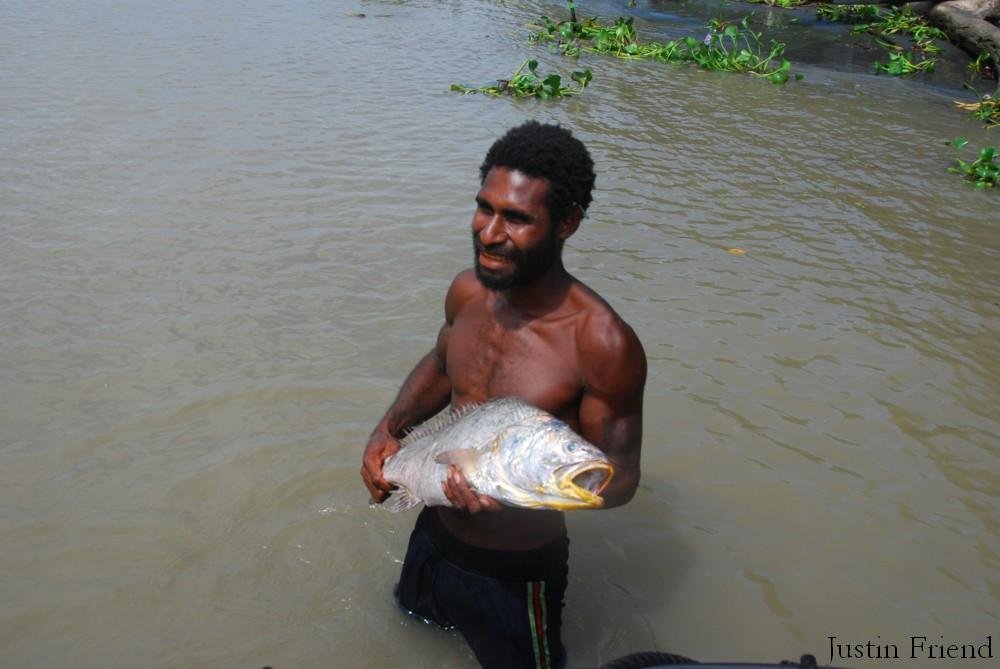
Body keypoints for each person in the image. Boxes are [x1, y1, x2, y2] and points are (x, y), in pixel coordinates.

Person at [361, 121, 647, 669]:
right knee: (408, 632)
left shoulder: (602, 342)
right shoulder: (467, 291)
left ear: (567, 223)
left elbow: (623, 480)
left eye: (516, 218)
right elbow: (441, 364)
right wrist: (387, 430)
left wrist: (514, 491)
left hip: (514, 571)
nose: (489, 233)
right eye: (484, 208)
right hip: (432, 530)